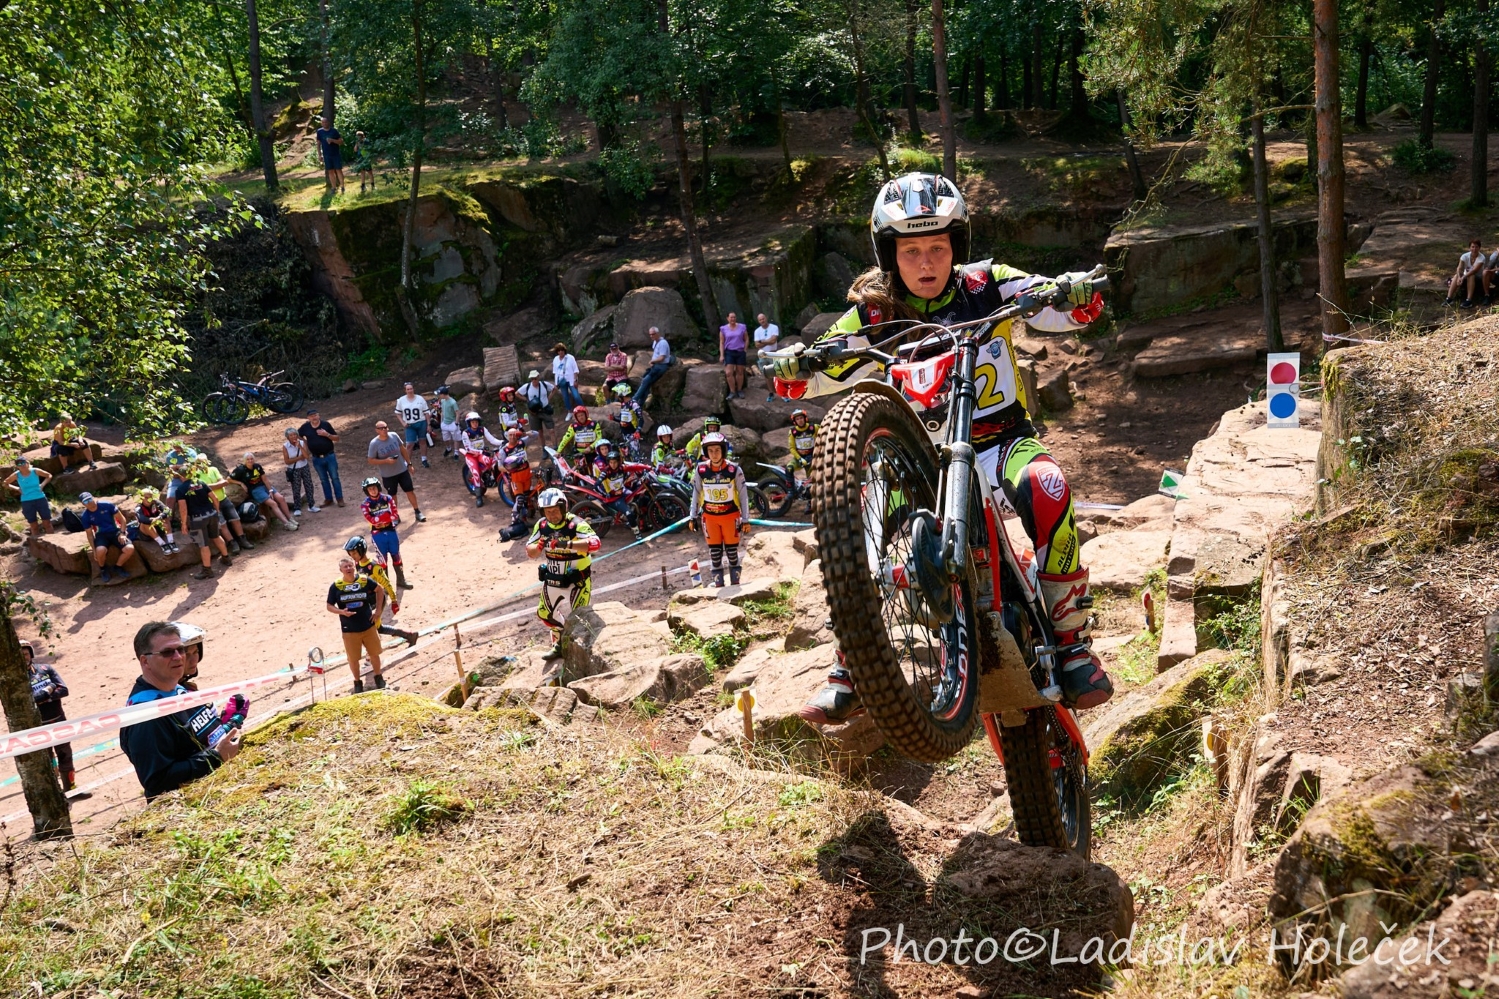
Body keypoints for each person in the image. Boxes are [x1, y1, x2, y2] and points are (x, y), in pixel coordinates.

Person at [767, 171, 1113, 716]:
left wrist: (1076, 292)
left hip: (1000, 443)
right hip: (917, 462)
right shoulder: (875, 313)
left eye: (937, 247)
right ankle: (852, 662)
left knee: (1047, 485)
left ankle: (1073, 644)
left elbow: (1059, 307)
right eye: (911, 251)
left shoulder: (989, 283)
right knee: (856, 515)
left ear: (957, 245)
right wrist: (794, 365)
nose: (926, 263)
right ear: (889, 253)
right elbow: (816, 369)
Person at [120, 621, 242, 800]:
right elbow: (157, 781)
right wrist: (215, 758)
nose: (178, 657)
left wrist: (229, 724)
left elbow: (200, 738)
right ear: (145, 661)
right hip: (193, 805)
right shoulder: (146, 716)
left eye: (180, 649)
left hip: (220, 788)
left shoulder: (179, 689)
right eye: (167, 652)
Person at [526, 488, 601, 659]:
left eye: (555, 511)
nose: (551, 515)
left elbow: (596, 544)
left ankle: (585, 653)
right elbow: (530, 551)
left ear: (563, 508)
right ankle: (559, 644)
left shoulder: (576, 524)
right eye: (547, 512)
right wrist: (538, 547)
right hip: (552, 579)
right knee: (544, 614)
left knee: (581, 618)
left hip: (577, 581)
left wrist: (567, 545)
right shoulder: (542, 525)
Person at [689, 433, 749, 587]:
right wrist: (692, 516)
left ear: (723, 450)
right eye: (710, 451)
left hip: (730, 517)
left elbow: (743, 495)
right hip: (710, 519)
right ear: (706, 452)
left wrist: (746, 519)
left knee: (732, 553)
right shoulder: (701, 469)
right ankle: (719, 587)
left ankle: (735, 585)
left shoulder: (734, 469)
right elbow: (696, 492)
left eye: (717, 450)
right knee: (715, 555)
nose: (714, 454)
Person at [344, 536, 418, 647]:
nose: (352, 556)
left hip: (377, 600)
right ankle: (409, 635)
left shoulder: (374, 567)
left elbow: (387, 584)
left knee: (372, 626)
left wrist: (394, 601)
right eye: (350, 554)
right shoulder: (358, 564)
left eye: (354, 553)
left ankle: (408, 636)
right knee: (376, 627)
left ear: (361, 550)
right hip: (368, 600)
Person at [327, 557, 386, 693]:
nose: (348, 568)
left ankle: (379, 678)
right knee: (353, 659)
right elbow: (329, 605)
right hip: (349, 630)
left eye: (350, 565)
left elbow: (380, 590)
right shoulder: (336, 586)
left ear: (354, 567)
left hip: (368, 625)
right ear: (341, 570)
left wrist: (378, 611)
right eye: (345, 567)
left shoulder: (364, 580)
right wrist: (341, 612)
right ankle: (357, 683)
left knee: (374, 654)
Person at [25, 640, 76, 793]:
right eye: (19, 655)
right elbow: (27, 702)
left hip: (58, 720)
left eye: (26, 654)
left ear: (31, 654)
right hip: (38, 726)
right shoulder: (17, 681)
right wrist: (48, 690)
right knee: (46, 762)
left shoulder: (45, 669)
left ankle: (71, 790)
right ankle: (55, 794)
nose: (23, 658)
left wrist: (43, 697)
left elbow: (64, 690)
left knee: (66, 756)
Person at [169, 466, 233, 580]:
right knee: (216, 536)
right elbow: (214, 498)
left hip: (198, 519)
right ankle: (226, 558)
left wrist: (183, 523)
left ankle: (207, 570)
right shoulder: (200, 482)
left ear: (181, 476)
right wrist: (216, 510)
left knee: (203, 544)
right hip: (211, 514)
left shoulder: (181, 490)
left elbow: (183, 508)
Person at [187, 456, 255, 553]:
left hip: (224, 499)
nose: (202, 464)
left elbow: (224, 482)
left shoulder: (213, 469)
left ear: (207, 462)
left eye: (203, 462)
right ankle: (233, 543)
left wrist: (208, 487)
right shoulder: (196, 475)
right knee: (222, 524)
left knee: (235, 519)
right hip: (211, 504)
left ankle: (243, 540)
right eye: (199, 462)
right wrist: (217, 485)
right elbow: (203, 488)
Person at [367, 421, 426, 521]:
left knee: (410, 491)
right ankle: (395, 516)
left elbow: (403, 450)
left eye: (385, 427)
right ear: (377, 430)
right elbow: (370, 460)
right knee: (392, 495)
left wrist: (409, 464)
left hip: (402, 470)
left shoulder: (394, 436)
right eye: (381, 428)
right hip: (388, 475)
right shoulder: (374, 443)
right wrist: (385, 461)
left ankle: (417, 511)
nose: (384, 430)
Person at [360, 476, 412, 589]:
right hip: (377, 535)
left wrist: (379, 519)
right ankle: (386, 585)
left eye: (374, 487)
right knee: (382, 560)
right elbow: (371, 520)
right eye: (370, 489)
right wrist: (386, 516)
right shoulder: (365, 504)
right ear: (366, 491)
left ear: (378, 487)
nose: (373, 490)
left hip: (391, 531)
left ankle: (401, 580)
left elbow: (395, 515)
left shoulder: (387, 498)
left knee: (396, 556)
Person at [78, 491, 137, 583]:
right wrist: (94, 550)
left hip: (115, 531)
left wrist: (122, 533)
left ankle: (118, 567)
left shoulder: (107, 505)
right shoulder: (85, 516)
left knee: (129, 548)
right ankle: (103, 569)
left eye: (90, 499)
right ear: (83, 504)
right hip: (101, 535)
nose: (89, 502)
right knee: (100, 550)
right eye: (86, 501)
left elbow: (122, 520)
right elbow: (89, 534)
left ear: (93, 498)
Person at [231, 452, 297, 530]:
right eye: (248, 459)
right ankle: (286, 524)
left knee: (281, 498)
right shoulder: (240, 470)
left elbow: (265, 480)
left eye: (251, 459)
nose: (250, 461)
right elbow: (229, 479)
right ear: (245, 460)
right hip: (255, 490)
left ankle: (290, 518)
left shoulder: (257, 467)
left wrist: (270, 490)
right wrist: (241, 483)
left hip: (264, 486)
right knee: (273, 504)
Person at [299, 409, 345, 507]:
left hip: (329, 456)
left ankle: (340, 499)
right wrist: (305, 442)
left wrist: (327, 434)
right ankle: (328, 499)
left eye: (315, 415)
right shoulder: (305, 427)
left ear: (318, 416)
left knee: (335, 478)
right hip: (316, 458)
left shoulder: (325, 425)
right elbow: (298, 435)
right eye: (311, 416)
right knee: (323, 479)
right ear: (308, 418)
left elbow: (337, 438)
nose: (314, 417)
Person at [459, 411, 505, 507]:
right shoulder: (465, 433)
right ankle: (479, 497)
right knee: (476, 473)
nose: (475, 423)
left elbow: (492, 440)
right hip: (471, 455)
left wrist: (503, 442)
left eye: (476, 421)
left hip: (481, 453)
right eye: (473, 422)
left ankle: (490, 477)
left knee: (490, 461)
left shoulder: (482, 429)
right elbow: (468, 448)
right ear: (469, 423)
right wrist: (479, 451)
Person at [498, 428, 537, 541]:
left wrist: (524, 433)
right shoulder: (504, 450)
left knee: (527, 497)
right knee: (519, 499)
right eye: (510, 435)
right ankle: (514, 524)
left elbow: (535, 434)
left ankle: (525, 518)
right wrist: (510, 469)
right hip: (516, 479)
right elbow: (500, 467)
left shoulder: (522, 442)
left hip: (527, 476)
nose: (512, 437)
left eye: (514, 434)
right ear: (507, 436)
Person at [597, 446, 642, 540]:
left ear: (618, 462)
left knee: (640, 497)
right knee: (629, 513)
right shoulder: (606, 471)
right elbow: (599, 480)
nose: (613, 465)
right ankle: (637, 533)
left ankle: (639, 523)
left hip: (622, 492)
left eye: (615, 462)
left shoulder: (621, 468)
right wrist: (603, 486)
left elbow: (632, 467)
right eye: (611, 462)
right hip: (614, 498)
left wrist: (646, 468)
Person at [5, 456, 53, 536]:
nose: (22, 465)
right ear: (17, 466)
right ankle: (36, 542)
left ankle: (53, 540)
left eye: (23, 463)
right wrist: (17, 489)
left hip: (40, 498)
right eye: (19, 464)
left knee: (47, 523)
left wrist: (42, 485)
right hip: (27, 501)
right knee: (34, 526)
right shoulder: (16, 475)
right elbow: (5, 483)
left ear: (27, 463)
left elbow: (49, 475)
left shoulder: (35, 471)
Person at [128, 487, 181, 553]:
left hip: (159, 528)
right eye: (146, 498)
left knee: (165, 518)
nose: (148, 500)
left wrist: (160, 517)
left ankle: (171, 541)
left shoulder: (156, 502)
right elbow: (142, 519)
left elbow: (167, 510)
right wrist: (152, 520)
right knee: (145, 524)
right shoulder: (138, 507)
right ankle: (162, 544)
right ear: (141, 498)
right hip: (146, 533)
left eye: (150, 497)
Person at [279, 428, 318, 514]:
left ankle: (311, 505)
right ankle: (297, 508)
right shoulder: (285, 446)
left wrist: (299, 447)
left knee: (309, 486)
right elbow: (287, 461)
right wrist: (299, 457)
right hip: (294, 469)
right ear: (287, 437)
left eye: (295, 434)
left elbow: (306, 456)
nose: (293, 437)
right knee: (296, 488)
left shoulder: (302, 443)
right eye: (291, 435)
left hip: (304, 467)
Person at [394, 383, 432, 469]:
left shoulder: (420, 399)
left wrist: (428, 424)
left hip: (421, 422)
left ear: (413, 389)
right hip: (409, 425)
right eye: (408, 389)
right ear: (405, 390)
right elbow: (397, 413)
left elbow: (426, 412)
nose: (410, 391)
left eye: (411, 389)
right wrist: (403, 423)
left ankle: (424, 459)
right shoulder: (401, 400)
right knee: (409, 444)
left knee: (422, 441)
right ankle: (407, 462)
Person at [632, 327, 673, 407]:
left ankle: (634, 399)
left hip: (661, 366)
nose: (651, 336)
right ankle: (640, 404)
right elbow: (656, 354)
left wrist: (653, 361)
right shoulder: (655, 342)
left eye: (653, 334)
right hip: (656, 365)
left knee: (646, 380)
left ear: (658, 333)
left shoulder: (663, 343)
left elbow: (662, 358)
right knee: (645, 382)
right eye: (650, 334)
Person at [1448, 238, 1490, 307]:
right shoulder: (1464, 256)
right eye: (1472, 247)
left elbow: (1474, 270)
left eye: (1476, 247)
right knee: (1456, 276)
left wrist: (1463, 277)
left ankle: (1469, 300)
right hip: (1465, 278)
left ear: (1479, 248)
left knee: (1471, 275)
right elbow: (1459, 268)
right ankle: (1449, 298)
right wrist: (1459, 277)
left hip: (1477, 279)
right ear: (1469, 248)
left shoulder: (1481, 258)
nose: (1474, 249)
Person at [720, 311, 750, 400]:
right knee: (729, 373)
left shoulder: (742, 327)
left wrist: (745, 349)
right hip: (729, 352)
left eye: (734, 317)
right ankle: (732, 391)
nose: (733, 319)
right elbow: (721, 342)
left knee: (740, 372)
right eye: (731, 317)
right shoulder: (723, 329)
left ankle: (739, 390)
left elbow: (746, 339)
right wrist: (721, 355)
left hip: (740, 351)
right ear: (727, 318)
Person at [753, 313, 781, 400]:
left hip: (773, 353)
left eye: (763, 318)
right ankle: (771, 393)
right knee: (767, 374)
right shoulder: (757, 331)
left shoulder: (774, 327)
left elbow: (773, 341)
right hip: (762, 355)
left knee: (777, 373)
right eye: (760, 320)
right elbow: (757, 345)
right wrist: (768, 341)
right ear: (758, 321)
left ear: (766, 318)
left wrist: (762, 341)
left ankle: (781, 393)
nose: (762, 321)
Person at [610, 382, 645, 452]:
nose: (617, 395)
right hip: (624, 434)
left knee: (634, 454)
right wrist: (614, 418)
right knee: (626, 454)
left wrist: (637, 431)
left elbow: (641, 419)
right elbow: (622, 419)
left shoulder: (634, 404)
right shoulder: (623, 404)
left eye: (617, 393)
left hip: (632, 434)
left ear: (622, 394)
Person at [315, 115, 345, 194]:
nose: (324, 123)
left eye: (326, 122)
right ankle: (333, 188)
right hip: (326, 155)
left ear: (328, 122)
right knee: (330, 171)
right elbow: (318, 144)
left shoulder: (334, 131)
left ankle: (342, 187)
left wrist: (332, 140)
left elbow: (341, 141)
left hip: (335, 154)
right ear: (321, 123)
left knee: (338, 170)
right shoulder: (319, 132)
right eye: (323, 122)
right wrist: (319, 154)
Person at [520, 370, 555, 437]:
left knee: (551, 430)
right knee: (539, 433)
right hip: (534, 412)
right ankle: (542, 444)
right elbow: (517, 393)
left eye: (535, 378)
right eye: (532, 379)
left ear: (538, 377)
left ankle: (555, 444)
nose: (534, 380)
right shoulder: (527, 386)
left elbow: (554, 388)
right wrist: (527, 400)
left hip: (545, 410)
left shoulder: (544, 384)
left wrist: (548, 398)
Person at [551, 342, 583, 411]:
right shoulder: (555, 359)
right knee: (565, 397)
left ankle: (583, 409)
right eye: (559, 350)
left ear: (564, 350)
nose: (560, 352)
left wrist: (575, 380)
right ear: (557, 352)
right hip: (561, 381)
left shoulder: (570, 358)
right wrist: (556, 384)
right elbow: (555, 372)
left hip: (571, 380)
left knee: (576, 396)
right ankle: (569, 411)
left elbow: (575, 369)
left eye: (562, 350)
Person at [786, 409, 819, 475]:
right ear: (795, 421)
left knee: (811, 476)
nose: (800, 420)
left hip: (812, 456)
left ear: (805, 418)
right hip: (799, 456)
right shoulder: (792, 431)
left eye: (801, 418)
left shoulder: (813, 427)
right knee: (789, 468)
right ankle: (789, 482)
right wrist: (799, 459)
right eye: (797, 419)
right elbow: (792, 448)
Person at [435, 386, 462, 459]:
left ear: (443, 394)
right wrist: (441, 422)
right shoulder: (442, 401)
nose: (439, 396)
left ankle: (456, 452)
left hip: (452, 422)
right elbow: (442, 411)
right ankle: (448, 448)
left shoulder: (453, 402)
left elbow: (457, 413)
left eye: (440, 394)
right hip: (445, 422)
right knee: (445, 438)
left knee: (456, 438)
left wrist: (456, 423)